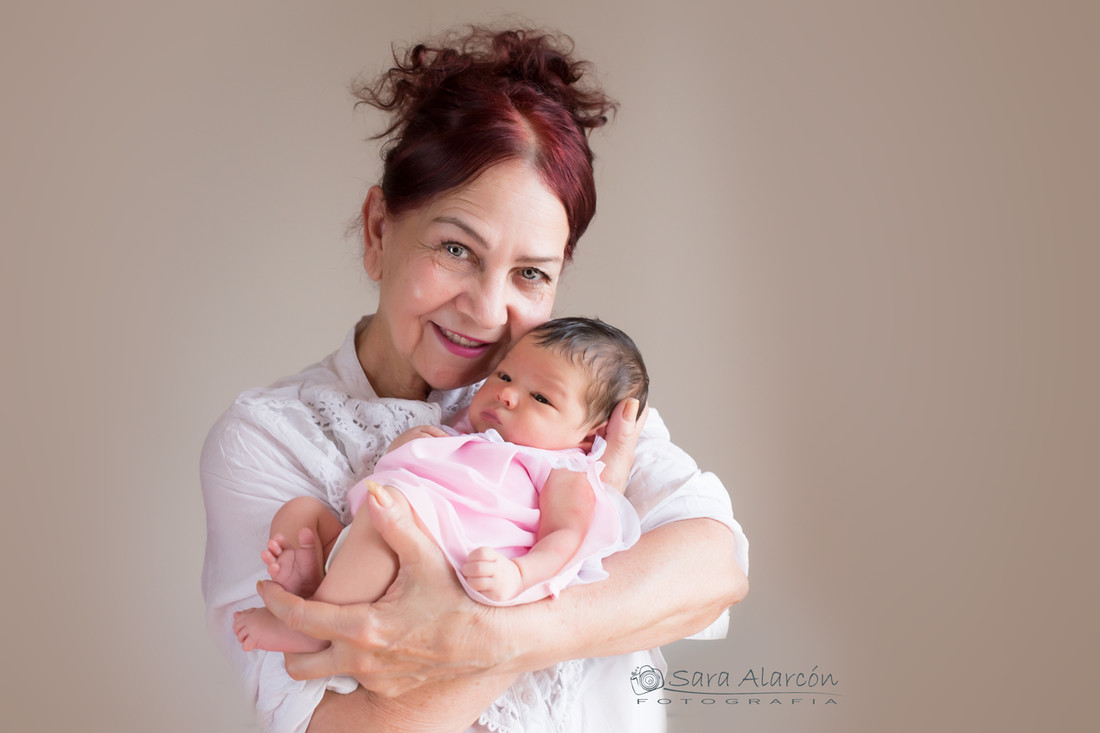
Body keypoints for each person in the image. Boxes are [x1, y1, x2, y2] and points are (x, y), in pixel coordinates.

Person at [201, 25, 749, 733]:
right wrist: (587, 605)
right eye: (457, 248)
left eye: (530, 273)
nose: (488, 311)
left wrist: (478, 634)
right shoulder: (271, 437)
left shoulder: (570, 400)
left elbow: (712, 568)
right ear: (377, 230)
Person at [232, 317, 649, 653]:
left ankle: (315, 627)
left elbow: (566, 538)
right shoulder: (468, 430)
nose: (507, 395)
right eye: (505, 376)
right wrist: (413, 443)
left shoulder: (560, 468)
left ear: (588, 437)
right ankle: (312, 582)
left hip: (427, 559)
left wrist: (519, 574)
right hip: (376, 524)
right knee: (301, 513)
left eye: (541, 398)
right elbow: (411, 463)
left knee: (383, 533)